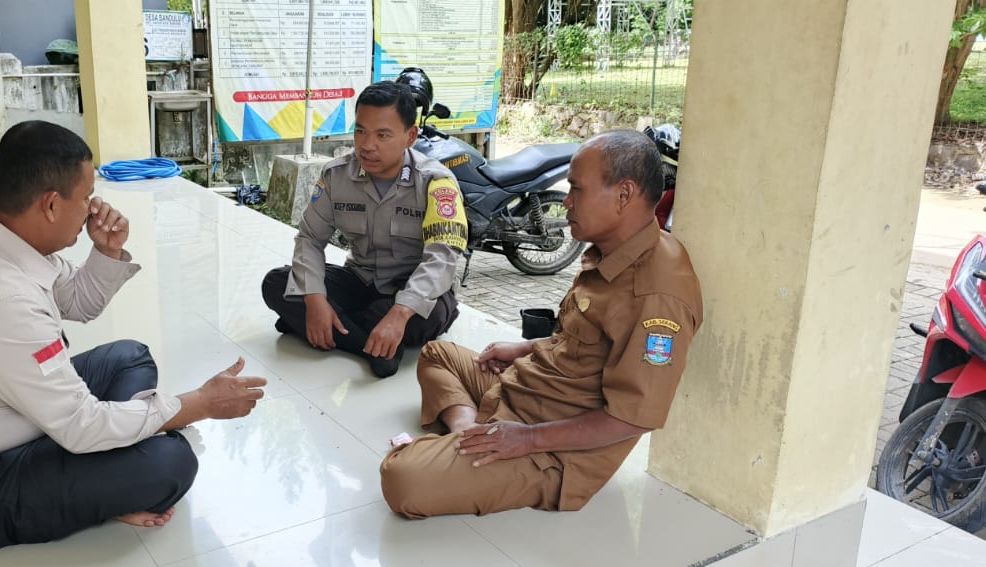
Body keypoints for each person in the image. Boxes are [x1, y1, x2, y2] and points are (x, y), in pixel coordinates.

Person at [0, 121, 267, 553]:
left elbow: (79, 302)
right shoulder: (1, 302)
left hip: (0, 416)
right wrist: (200, 404)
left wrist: (106, 250)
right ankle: (107, 488)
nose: (92, 209)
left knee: (129, 357)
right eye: (86, 197)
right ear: (50, 204)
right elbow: (81, 426)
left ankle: (106, 472)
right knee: (171, 462)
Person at [378, 130, 703, 518]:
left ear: (624, 194)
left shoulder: (658, 296)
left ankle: (475, 444)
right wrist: (525, 348)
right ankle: (469, 432)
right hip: (526, 388)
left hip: (554, 447)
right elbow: (582, 341)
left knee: (401, 478)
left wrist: (527, 439)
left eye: (577, 189)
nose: (566, 202)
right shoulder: (614, 249)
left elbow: (631, 418)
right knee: (437, 354)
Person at [261, 81, 468, 378]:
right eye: (361, 131)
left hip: (410, 287)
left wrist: (399, 312)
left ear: (410, 136)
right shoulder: (336, 175)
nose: (367, 145)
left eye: (382, 135)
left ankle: (322, 326)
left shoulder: (436, 183)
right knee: (276, 283)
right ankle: (369, 347)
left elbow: (442, 258)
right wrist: (315, 299)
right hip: (361, 280)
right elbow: (310, 238)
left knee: (427, 314)